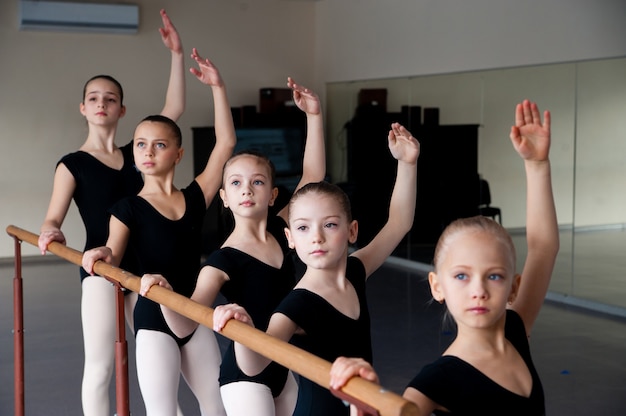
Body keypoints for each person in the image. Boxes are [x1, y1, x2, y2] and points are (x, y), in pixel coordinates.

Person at [329, 99, 559, 416]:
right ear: (437, 286)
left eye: (494, 276)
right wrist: (366, 403)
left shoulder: (515, 330)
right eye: (461, 276)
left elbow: (544, 247)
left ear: (514, 287)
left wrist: (537, 165)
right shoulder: (435, 383)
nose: (478, 290)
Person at [139, 78, 326, 416]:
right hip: (245, 373)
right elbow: (187, 323)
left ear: (271, 195)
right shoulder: (223, 259)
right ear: (224, 197)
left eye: (257, 182)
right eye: (236, 183)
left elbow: (312, 175)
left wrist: (313, 115)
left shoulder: (281, 227)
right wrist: (162, 294)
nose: (247, 190)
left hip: (283, 365)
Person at [212, 122, 420, 416]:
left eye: (330, 225)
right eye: (303, 228)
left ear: (352, 231)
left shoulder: (355, 271)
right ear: (291, 239)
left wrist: (407, 163)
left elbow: (399, 222)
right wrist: (242, 331)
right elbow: (256, 363)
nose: (317, 237)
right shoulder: (298, 303)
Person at [37, 10, 184, 416]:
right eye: (94, 98)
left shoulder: (139, 156)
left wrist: (176, 54)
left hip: (145, 271)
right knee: (103, 366)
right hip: (100, 269)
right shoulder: (72, 164)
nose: (102, 104)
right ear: (82, 108)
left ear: (122, 110)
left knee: (164, 359)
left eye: (111, 99)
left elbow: (172, 110)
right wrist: (51, 232)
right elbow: (53, 217)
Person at [81, 48, 236, 416]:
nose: (148, 152)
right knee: (162, 411)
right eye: (140, 145)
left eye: (159, 145)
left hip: (195, 312)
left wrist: (218, 88)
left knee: (216, 406)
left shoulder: (196, 197)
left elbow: (225, 144)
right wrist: (102, 256)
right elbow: (114, 257)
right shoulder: (127, 208)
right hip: (154, 320)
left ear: (178, 154)